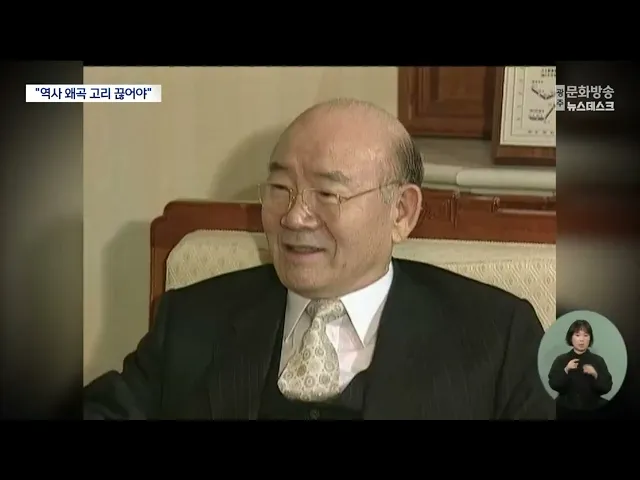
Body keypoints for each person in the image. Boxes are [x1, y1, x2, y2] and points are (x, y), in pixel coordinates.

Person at [84, 98, 554, 420]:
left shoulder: (497, 336)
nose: (294, 217)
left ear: (401, 212)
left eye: (328, 193)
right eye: (280, 188)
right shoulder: (193, 318)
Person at [548, 319, 613, 418]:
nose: (581, 339)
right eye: (577, 335)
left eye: (585, 335)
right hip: (566, 411)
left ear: (590, 338)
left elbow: (607, 387)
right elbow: (554, 384)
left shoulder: (598, 360)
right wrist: (566, 370)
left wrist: (595, 374)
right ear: (571, 337)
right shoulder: (561, 360)